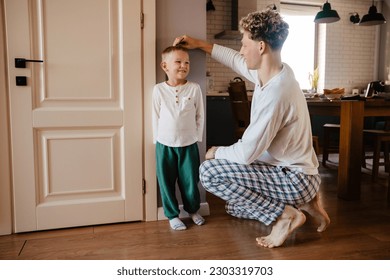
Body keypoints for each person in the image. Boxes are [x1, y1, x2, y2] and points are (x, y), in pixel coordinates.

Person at [173, 9, 330, 247]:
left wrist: (217, 151)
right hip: (296, 173)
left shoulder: (277, 92)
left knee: (209, 172)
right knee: (234, 206)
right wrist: (200, 44)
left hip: (294, 178)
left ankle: (286, 216)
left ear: (261, 47)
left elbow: (247, 153)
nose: (241, 50)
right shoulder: (274, 71)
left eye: (244, 44)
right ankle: (306, 203)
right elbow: (235, 60)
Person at [152, 45, 205, 231]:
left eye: (187, 62)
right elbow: (155, 115)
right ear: (165, 66)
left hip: (188, 143)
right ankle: (172, 215)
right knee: (166, 181)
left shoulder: (194, 88)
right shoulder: (158, 90)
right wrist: (156, 140)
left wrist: (197, 137)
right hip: (164, 145)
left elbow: (200, 115)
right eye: (178, 61)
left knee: (190, 180)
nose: (183, 65)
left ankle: (193, 210)